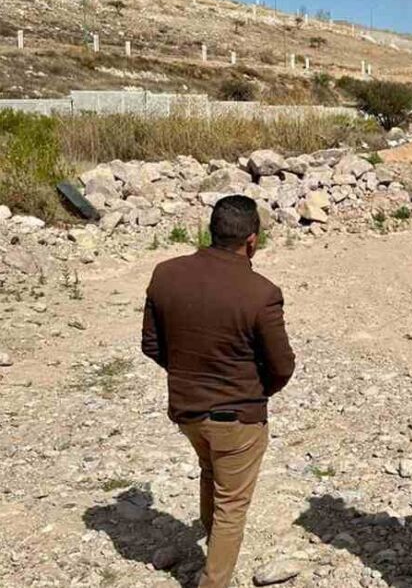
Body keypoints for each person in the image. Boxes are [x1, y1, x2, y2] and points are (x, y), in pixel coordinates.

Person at [142, 195, 295, 588]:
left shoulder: (165, 274)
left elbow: (152, 345)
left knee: (210, 472)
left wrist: (191, 375)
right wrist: (255, 391)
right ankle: (214, 581)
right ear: (252, 241)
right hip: (238, 416)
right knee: (231, 505)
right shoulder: (261, 292)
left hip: (188, 410)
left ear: (211, 231)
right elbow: (282, 366)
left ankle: (212, 552)